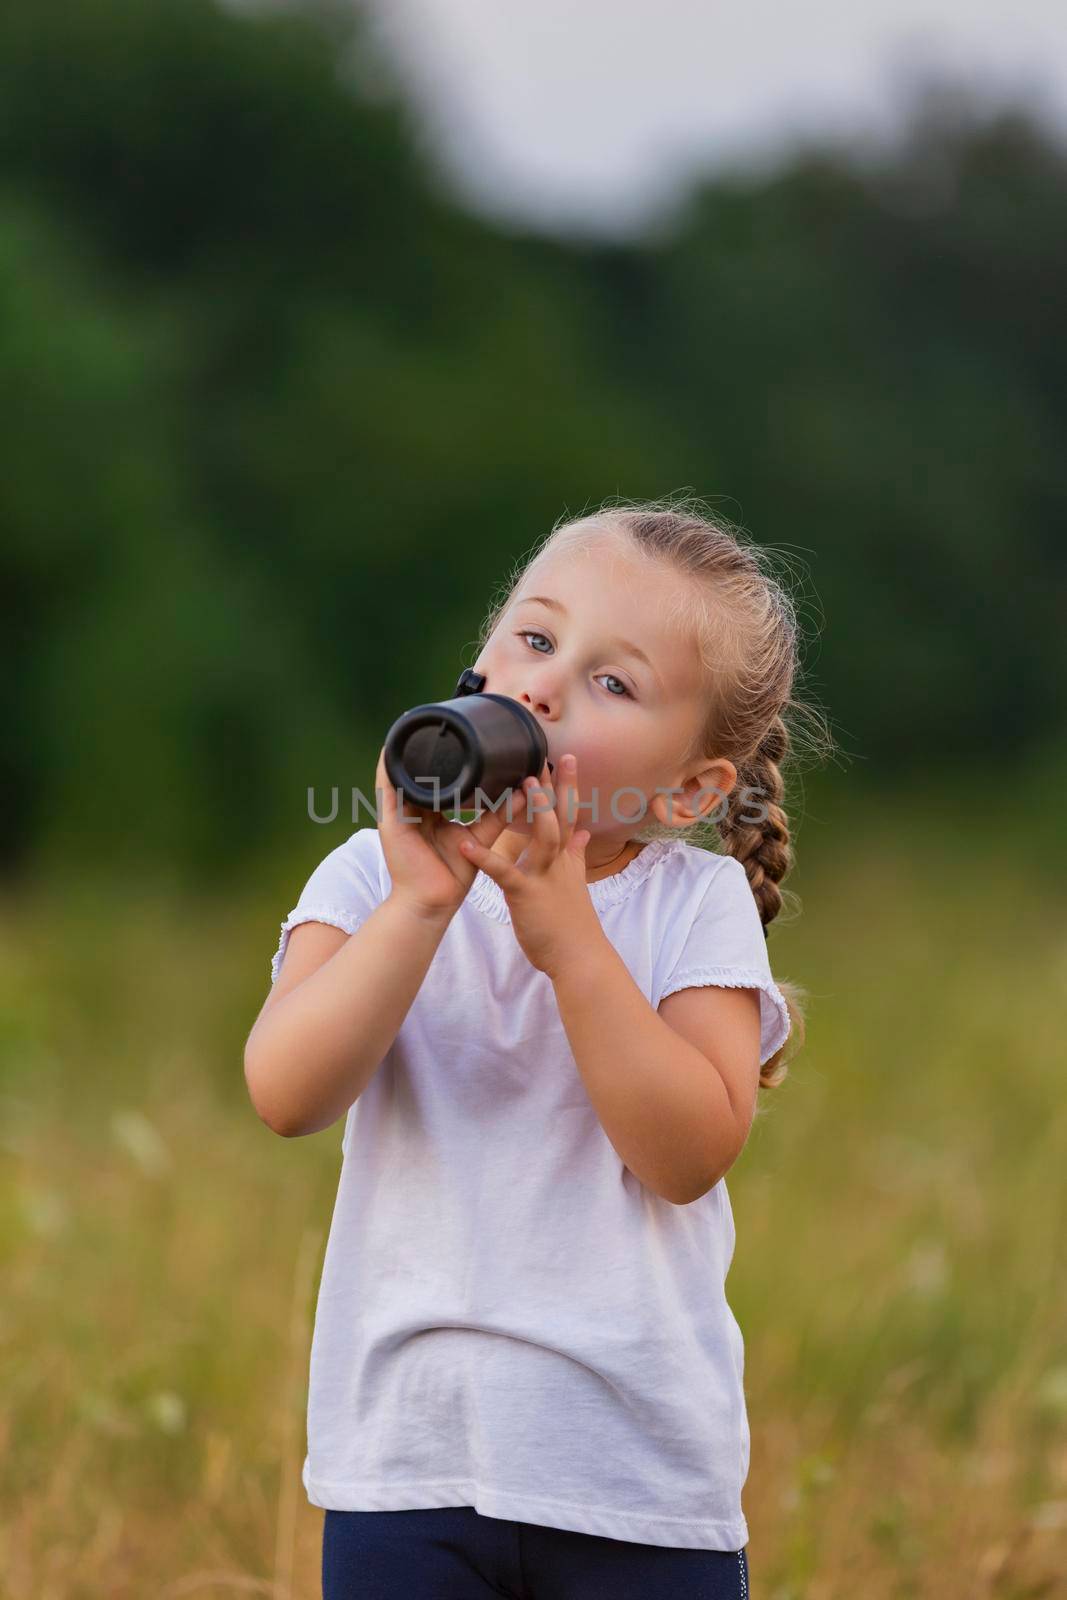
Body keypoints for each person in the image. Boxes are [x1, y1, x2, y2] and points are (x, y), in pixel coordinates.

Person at [244, 496, 828, 1599]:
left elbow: (688, 1151)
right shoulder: (372, 880)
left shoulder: (688, 904)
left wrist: (568, 940)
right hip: (406, 1465)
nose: (546, 685)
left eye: (613, 682)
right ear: (478, 665)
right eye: (535, 637)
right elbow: (283, 1092)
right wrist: (420, 905)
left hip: (631, 1480)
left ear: (690, 787)